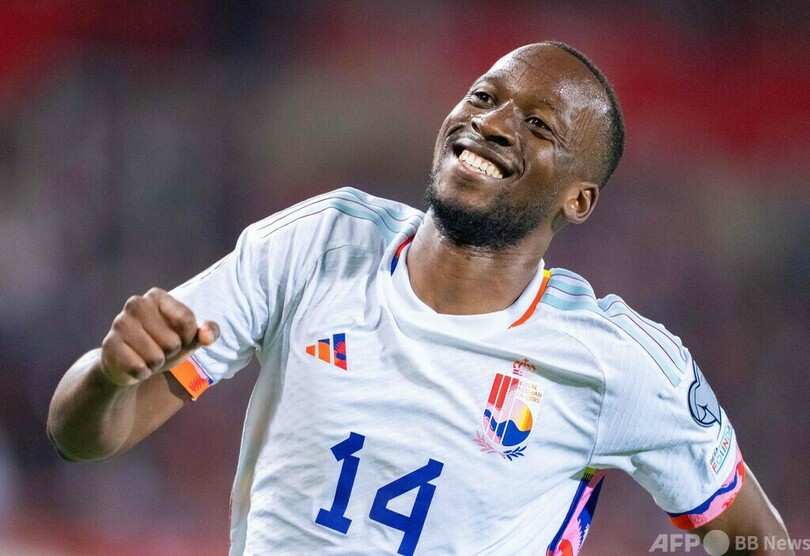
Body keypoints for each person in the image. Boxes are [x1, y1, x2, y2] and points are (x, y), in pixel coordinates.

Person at [47, 41, 792, 555]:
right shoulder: (318, 244)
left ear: (579, 199)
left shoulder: (618, 364)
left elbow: (755, 541)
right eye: (484, 96)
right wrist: (109, 376)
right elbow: (80, 436)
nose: (491, 123)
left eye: (537, 125)